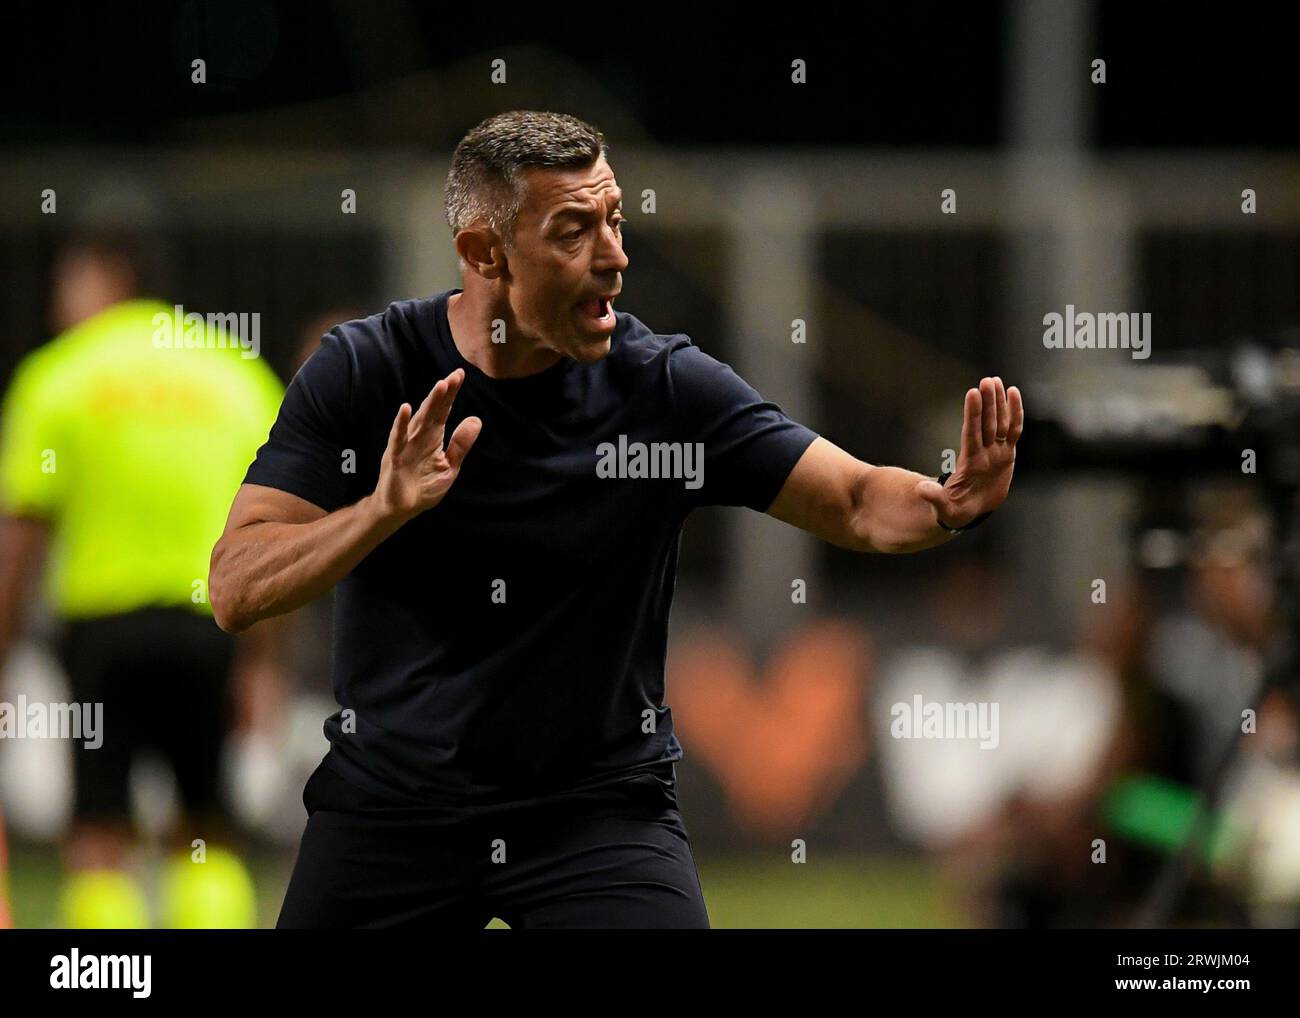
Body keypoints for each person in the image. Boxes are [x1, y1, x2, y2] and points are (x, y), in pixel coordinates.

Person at [210, 110, 1024, 929]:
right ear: (484, 254)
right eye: (574, 231)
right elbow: (235, 588)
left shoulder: (662, 389)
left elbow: (852, 499)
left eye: (615, 220)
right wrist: (379, 511)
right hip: (390, 811)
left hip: (594, 817)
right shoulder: (364, 370)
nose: (615, 256)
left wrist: (946, 503)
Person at [0, 230, 285, 927]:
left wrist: (2, 643)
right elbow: (278, 533)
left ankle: (113, 980)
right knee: (206, 824)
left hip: (101, 631)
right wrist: (264, 662)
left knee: (99, 829)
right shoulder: (238, 374)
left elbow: (23, 531)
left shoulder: (58, 375)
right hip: (213, 624)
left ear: (106, 277)